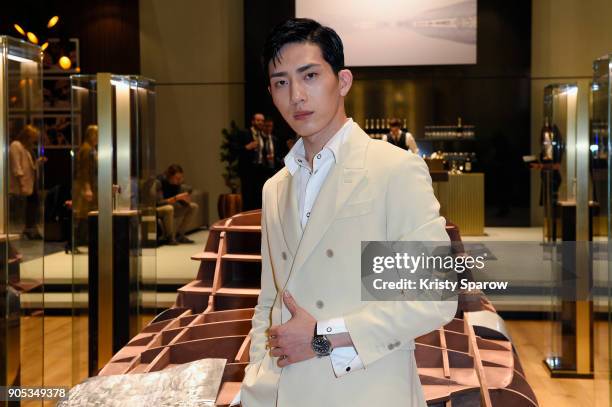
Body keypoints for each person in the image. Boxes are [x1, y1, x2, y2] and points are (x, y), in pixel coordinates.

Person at [239, 18, 457, 407]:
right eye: (281, 82)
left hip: (365, 390)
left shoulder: (393, 170)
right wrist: (256, 378)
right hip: (284, 391)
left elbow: (431, 298)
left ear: (342, 81)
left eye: (309, 75)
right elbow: (269, 300)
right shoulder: (275, 188)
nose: (297, 96)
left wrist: (323, 337)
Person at [9, 124, 46, 239]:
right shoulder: (16, 145)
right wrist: (21, 183)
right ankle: (27, 229)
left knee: (33, 206)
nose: (33, 141)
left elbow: (28, 166)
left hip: (29, 183)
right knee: (24, 208)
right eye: (33, 137)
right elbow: (17, 166)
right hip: (22, 184)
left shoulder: (25, 148)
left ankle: (30, 228)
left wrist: (38, 162)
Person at [155, 164, 198, 245]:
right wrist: (176, 198)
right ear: (170, 176)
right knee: (169, 208)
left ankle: (180, 235)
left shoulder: (176, 184)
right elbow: (159, 203)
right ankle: (170, 238)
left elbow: (178, 200)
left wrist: (185, 201)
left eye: (181, 178)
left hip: (171, 205)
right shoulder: (159, 182)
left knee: (193, 206)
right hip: (156, 209)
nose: (180, 180)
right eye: (177, 178)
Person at [231, 113, 266, 210]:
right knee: (248, 196)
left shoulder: (262, 136)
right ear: (253, 121)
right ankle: (246, 220)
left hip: (260, 171)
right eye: (258, 120)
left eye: (262, 121)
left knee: (259, 197)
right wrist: (246, 147)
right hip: (247, 170)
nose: (260, 123)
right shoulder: (244, 133)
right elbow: (234, 148)